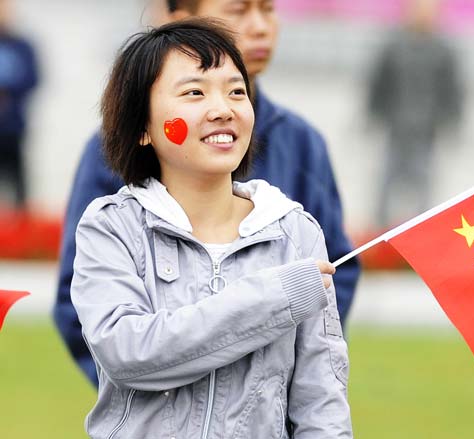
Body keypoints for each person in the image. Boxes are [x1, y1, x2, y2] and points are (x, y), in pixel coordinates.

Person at [54, 0, 360, 387]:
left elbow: (332, 279)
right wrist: (157, 395)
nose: (259, 27)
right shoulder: (112, 207)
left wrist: (269, 383)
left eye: (268, 10)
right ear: (180, 21)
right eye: (237, 11)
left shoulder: (302, 147)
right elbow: (96, 318)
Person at [367, 0, 462, 226]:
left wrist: (452, 119)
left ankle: (424, 227)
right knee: (387, 179)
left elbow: (453, 88)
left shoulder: (443, 50)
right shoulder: (394, 46)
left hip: (426, 129)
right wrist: (374, 113)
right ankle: (380, 229)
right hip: (396, 124)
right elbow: (378, 82)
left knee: (424, 181)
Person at [0, 0, 38, 208]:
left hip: (13, 130)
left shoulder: (22, 46)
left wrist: (8, 93)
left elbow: (33, 79)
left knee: (19, 190)